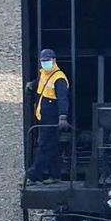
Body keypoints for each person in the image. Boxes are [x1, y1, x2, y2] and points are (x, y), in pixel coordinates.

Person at [25, 48, 70, 183]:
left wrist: (63, 116)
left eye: (47, 61)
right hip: (43, 117)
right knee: (51, 146)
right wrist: (32, 85)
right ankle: (55, 175)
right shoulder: (43, 73)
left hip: (52, 119)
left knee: (44, 146)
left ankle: (33, 175)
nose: (45, 63)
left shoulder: (59, 78)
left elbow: (63, 98)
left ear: (54, 61)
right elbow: (40, 82)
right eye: (43, 61)